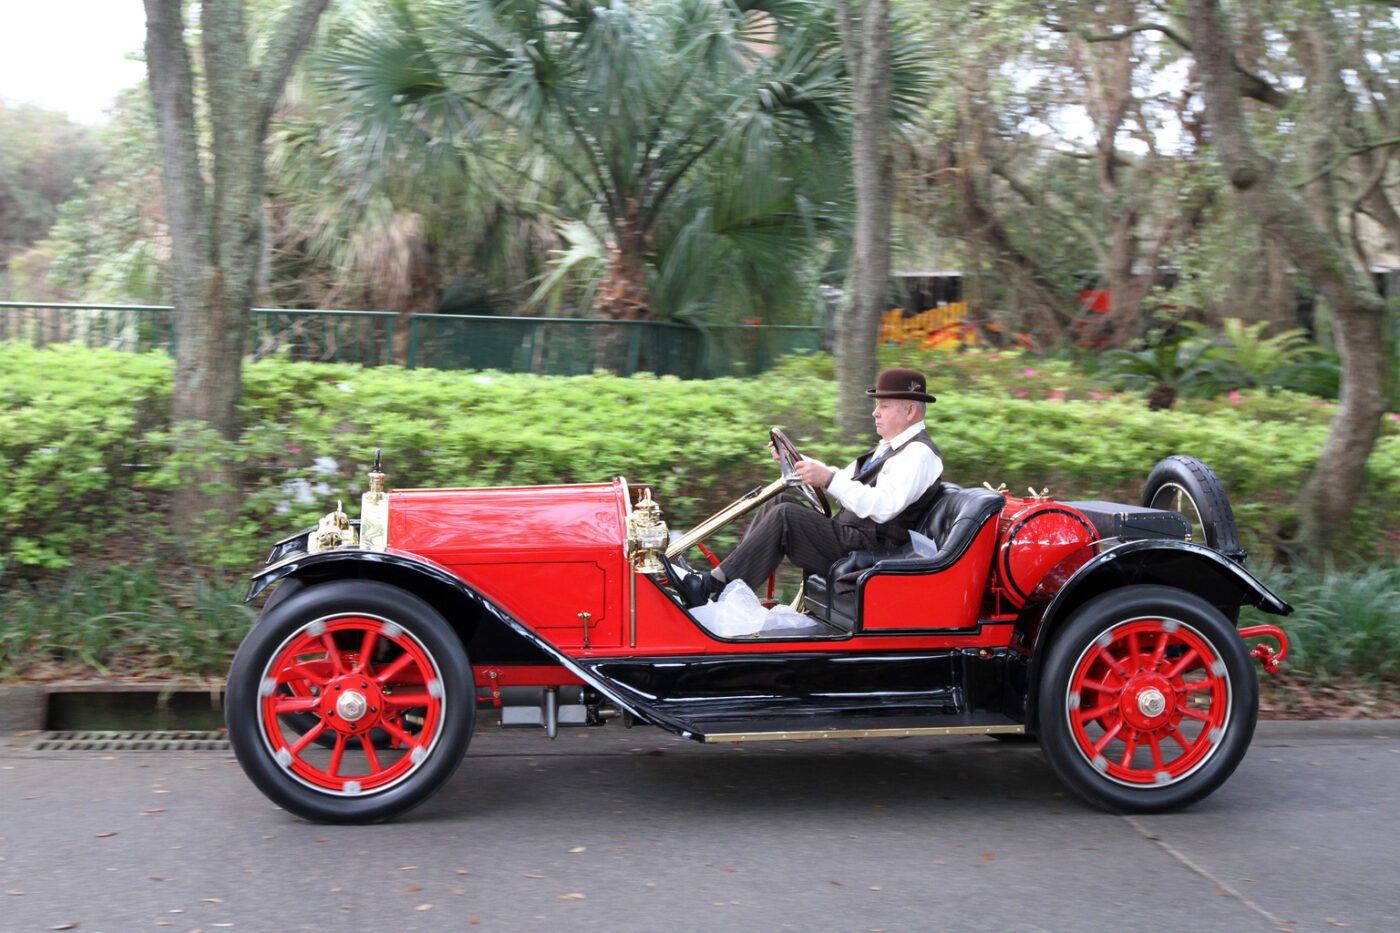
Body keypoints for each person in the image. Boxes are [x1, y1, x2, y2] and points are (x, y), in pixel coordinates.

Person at [680, 367, 943, 607]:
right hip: (853, 535)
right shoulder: (890, 447)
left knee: (786, 518)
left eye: (883, 406)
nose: (875, 412)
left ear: (909, 411)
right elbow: (844, 478)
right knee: (779, 503)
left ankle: (711, 590)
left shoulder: (918, 453)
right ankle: (722, 581)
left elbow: (883, 507)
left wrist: (827, 479)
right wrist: (800, 462)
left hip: (872, 550)